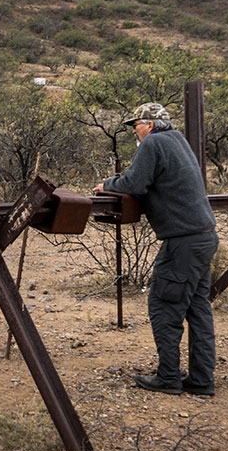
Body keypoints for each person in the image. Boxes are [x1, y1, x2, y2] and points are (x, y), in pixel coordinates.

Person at [92, 102, 218, 396]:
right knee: (198, 310)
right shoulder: (178, 141)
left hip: (182, 241)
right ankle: (201, 380)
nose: (134, 130)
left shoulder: (152, 143)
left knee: (165, 306)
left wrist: (107, 184)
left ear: (148, 124)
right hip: (204, 236)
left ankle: (168, 378)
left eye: (136, 124)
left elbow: (135, 184)